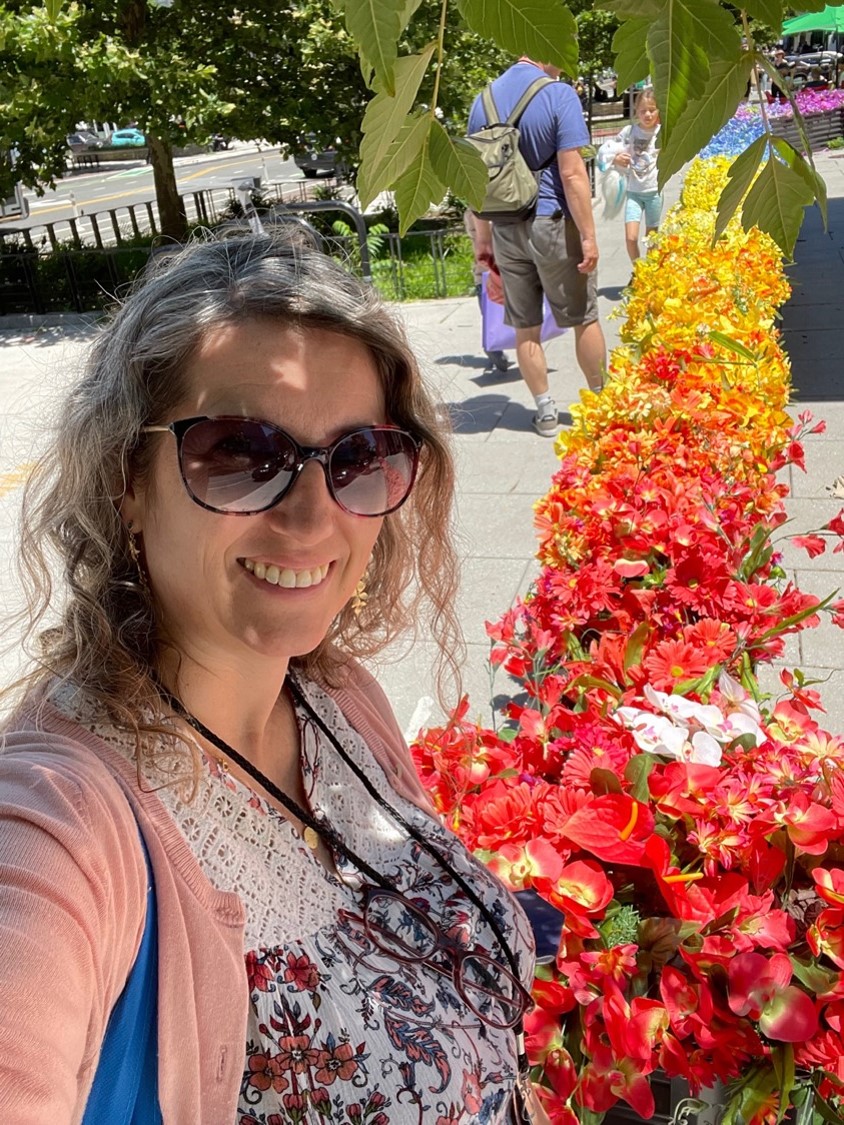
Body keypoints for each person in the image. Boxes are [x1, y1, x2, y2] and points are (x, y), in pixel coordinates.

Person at [0, 231, 542, 1124]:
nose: (312, 515)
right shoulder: (65, 821)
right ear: (128, 478)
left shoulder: (339, 700)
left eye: (360, 457)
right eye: (242, 454)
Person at [468, 57, 607, 439]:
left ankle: (545, 413)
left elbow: (474, 178)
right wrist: (590, 235)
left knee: (525, 327)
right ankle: (602, 406)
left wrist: (482, 242)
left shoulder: (482, 101)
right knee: (583, 317)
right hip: (553, 223)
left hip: (505, 228)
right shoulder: (558, 95)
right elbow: (572, 172)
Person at [607, 88, 662, 266]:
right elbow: (609, 151)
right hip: (634, 193)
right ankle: (638, 269)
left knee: (651, 239)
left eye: (652, 110)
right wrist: (616, 158)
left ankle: (650, 274)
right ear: (636, 110)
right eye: (643, 110)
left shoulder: (662, 133)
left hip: (654, 192)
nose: (647, 114)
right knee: (631, 238)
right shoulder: (629, 132)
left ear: (658, 110)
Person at [464, 208, 511, 373]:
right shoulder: (481, 210)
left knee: (489, 312)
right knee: (493, 310)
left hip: (487, 273)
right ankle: (495, 346)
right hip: (495, 271)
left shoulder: (475, 212)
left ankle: (494, 347)